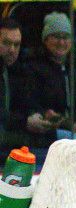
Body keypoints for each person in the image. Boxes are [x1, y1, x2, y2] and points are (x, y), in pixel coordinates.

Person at [17, 13, 76, 147]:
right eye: (56, 37)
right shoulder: (33, 67)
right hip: (51, 132)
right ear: (46, 39)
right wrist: (48, 116)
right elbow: (29, 104)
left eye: (66, 37)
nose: (61, 42)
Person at [0, 18, 26, 150]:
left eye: (16, 45)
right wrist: (26, 122)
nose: (12, 50)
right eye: (6, 43)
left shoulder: (16, 71)